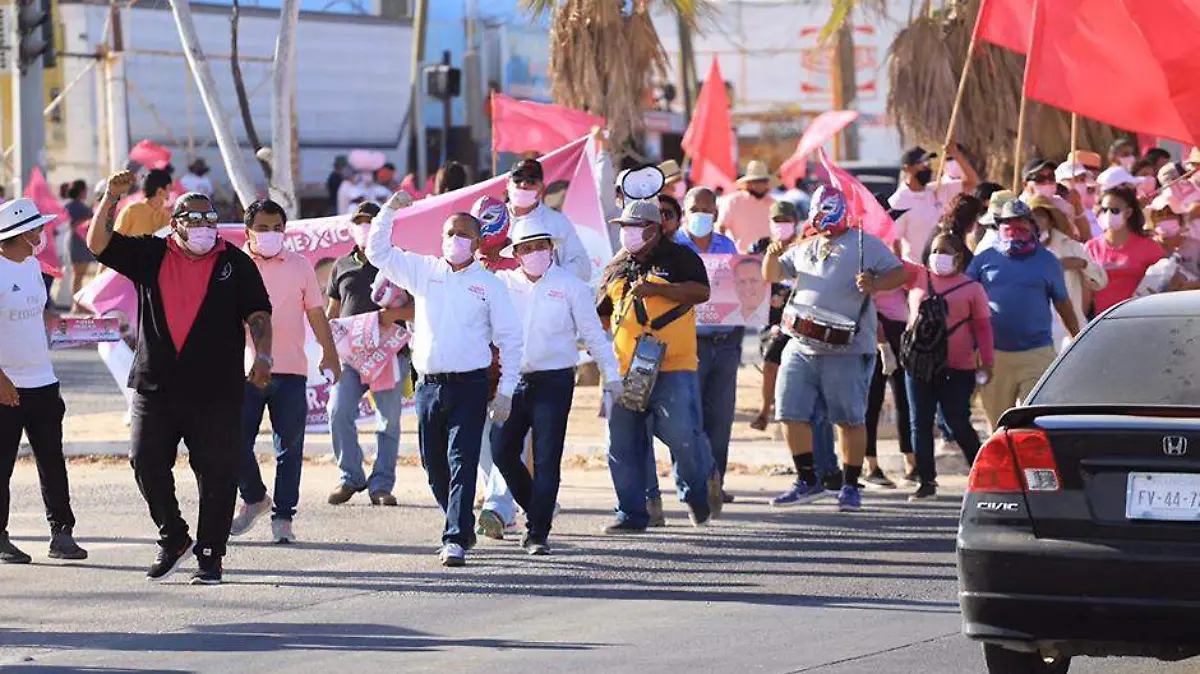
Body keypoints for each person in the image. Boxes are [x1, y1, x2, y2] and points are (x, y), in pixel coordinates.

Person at [87, 173, 273, 585]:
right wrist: (111, 198)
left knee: (217, 473)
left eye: (209, 221)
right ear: (175, 225)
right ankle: (173, 537)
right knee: (145, 461)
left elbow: (258, 313)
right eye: (194, 221)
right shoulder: (151, 254)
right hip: (156, 385)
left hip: (216, 389)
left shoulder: (234, 261)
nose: (204, 229)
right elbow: (98, 245)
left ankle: (210, 555)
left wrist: (263, 354)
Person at [366, 192, 523, 567]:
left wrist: (505, 392)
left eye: (465, 235)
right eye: (451, 233)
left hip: (469, 385)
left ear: (479, 241)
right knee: (433, 465)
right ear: (442, 237)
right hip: (429, 386)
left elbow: (511, 340)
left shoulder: (489, 285)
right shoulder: (425, 271)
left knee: (462, 460)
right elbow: (378, 253)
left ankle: (453, 537)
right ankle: (462, 524)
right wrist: (389, 211)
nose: (457, 240)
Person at [763, 186, 908, 511]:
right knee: (789, 413)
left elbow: (899, 273)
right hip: (800, 343)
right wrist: (772, 254)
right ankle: (807, 480)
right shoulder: (805, 246)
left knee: (848, 419)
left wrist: (874, 283)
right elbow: (772, 275)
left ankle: (850, 485)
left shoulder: (865, 244)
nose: (823, 217)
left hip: (848, 346)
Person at [490, 221, 622, 554]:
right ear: (516, 254)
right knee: (501, 450)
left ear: (552, 248)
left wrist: (612, 374)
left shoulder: (570, 286)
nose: (536, 253)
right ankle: (538, 508)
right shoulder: (502, 284)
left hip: (555, 379)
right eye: (528, 248)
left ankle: (537, 532)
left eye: (541, 246)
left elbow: (593, 334)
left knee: (548, 456)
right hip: (513, 379)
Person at [597, 199, 722, 531]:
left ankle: (697, 492)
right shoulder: (617, 264)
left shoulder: (681, 257)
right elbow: (603, 311)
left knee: (682, 437)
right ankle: (631, 513)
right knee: (622, 442)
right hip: (626, 369)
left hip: (673, 365)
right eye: (623, 228)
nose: (627, 234)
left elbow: (701, 292)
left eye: (633, 228)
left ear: (652, 229)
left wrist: (656, 289)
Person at [229, 200, 340, 544]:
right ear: (248, 231)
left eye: (277, 228)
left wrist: (329, 353)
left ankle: (284, 517)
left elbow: (317, 314)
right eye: (262, 228)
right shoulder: (232, 264)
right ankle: (254, 498)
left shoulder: (300, 265)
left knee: (289, 448)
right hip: (243, 372)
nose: (271, 234)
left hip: (291, 370)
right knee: (232, 441)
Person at [0, 199, 88, 565]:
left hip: (43, 383)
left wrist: (60, 321)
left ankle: (62, 533)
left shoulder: (34, 266)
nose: (41, 234)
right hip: (7, 387)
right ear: (18, 234)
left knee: (52, 460)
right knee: (2, 465)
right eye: (35, 229)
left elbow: (42, 310)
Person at [325, 202, 410, 507]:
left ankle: (382, 484)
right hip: (351, 355)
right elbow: (331, 312)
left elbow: (415, 307)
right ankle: (351, 477)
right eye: (359, 222)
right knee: (338, 410)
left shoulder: (395, 261)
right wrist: (328, 348)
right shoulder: (341, 265)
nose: (364, 226)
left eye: (370, 221)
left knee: (388, 421)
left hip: (388, 354)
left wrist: (391, 315)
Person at [966, 200, 1079, 430]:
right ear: (998, 227)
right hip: (993, 356)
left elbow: (1063, 304)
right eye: (1007, 224)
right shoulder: (983, 260)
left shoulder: (1047, 261)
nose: (1014, 229)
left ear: (1032, 226)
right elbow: (965, 300)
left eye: (1020, 223)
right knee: (998, 428)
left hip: (1037, 354)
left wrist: (1077, 339)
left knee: (1034, 423)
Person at [902, 233, 993, 502]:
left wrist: (987, 362)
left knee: (957, 421)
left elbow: (983, 328)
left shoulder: (972, 289)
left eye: (945, 251)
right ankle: (926, 481)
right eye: (935, 250)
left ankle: (984, 476)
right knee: (919, 422)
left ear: (959, 256)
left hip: (959, 366)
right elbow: (889, 265)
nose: (938, 255)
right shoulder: (917, 277)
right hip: (919, 365)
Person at [675, 187, 740, 499]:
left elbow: (743, 289)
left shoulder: (727, 246)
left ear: (716, 213)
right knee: (688, 415)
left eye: (707, 209)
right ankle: (691, 485)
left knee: (721, 417)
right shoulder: (675, 246)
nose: (701, 214)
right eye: (694, 208)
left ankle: (716, 483)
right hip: (687, 342)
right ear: (684, 212)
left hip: (725, 341)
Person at [1026, 195, 1107, 351]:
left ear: (1050, 220)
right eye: (1031, 218)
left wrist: (1082, 263)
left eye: (1041, 216)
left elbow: (1100, 281)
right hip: (1037, 335)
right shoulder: (1020, 252)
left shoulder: (1070, 246)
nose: (1036, 222)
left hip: (1071, 332)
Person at [889, 145, 978, 263]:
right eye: (922, 163)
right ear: (907, 169)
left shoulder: (937, 190)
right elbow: (894, 241)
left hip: (944, 265)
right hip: (918, 269)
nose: (927, 166)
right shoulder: (898, 202)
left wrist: (956, 154)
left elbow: (971, 182)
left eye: (928, 162)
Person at [506, 159, 592, 281]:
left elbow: (582, 268)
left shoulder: (557, 222)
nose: (524, 184)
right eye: (518, 179)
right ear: (508, 183)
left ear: (542, 188)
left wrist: (546, 279)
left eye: (531, 181)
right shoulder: (494, 219)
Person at [1085, 186, 1164, 315]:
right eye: (1104, 210)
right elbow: (1085, 292)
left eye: (1115, 210)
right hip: (1102, 321)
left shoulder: (1148, 247)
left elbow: (1163, 278)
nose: (1108, 214)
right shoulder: (1091, 247)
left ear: (1128, 212)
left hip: (1139, 318)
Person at [715, 160, 776, 252]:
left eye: (764, 181)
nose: (762, 185)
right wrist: (724, 250)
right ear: (749, 183)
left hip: (767, 257)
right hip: (740, 258)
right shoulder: (733, 201)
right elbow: (721, 228)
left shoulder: (772, 203)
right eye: (758, 181)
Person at [114, 169, 173, 237]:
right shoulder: (131, 211)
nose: (170, 192)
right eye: (169, 189)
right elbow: (116, 240)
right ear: (160, 191)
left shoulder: (167, 217)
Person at [63, 180, 94, 310]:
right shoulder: (79, 206)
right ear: (81, 191)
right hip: (79, 242)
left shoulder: (69, 205)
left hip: (74, 241)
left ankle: (77, 305)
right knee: (79, 276)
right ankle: (77, 305)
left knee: (78, 276)